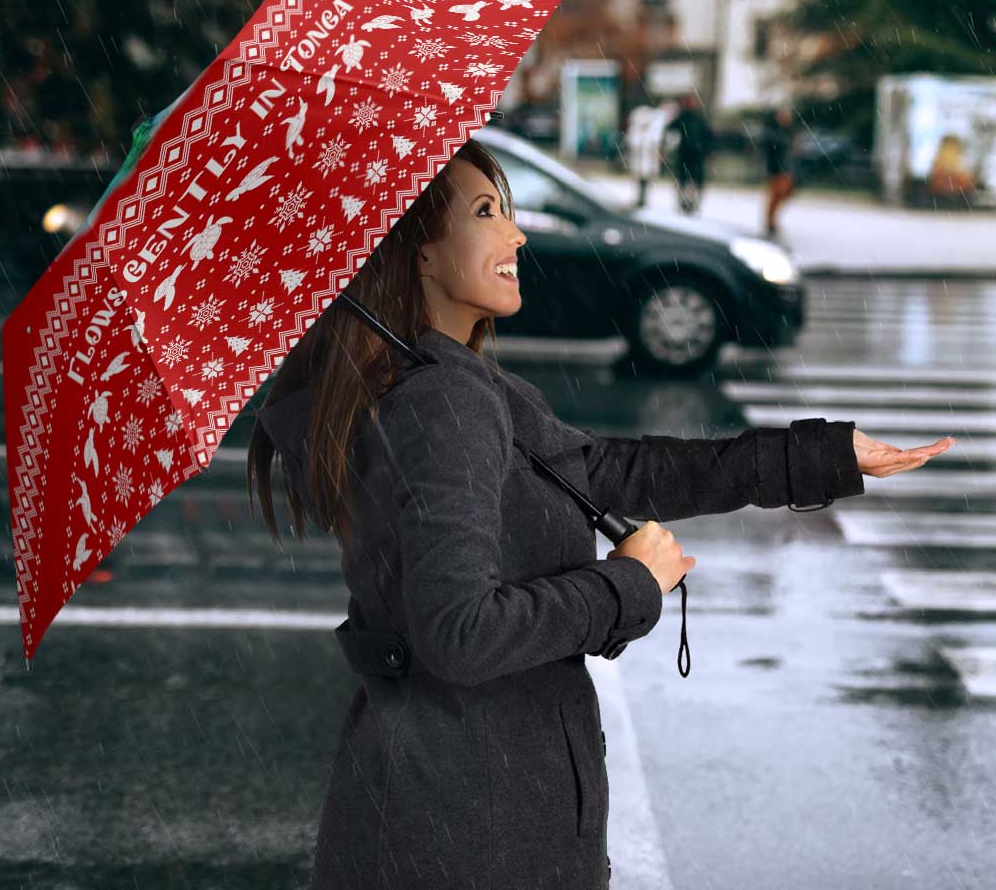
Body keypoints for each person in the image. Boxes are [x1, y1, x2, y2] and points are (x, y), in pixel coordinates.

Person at [246, 136, 943, 890]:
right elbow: (460, 633)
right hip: (474, 828)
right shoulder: (441, 402)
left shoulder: (441, 383)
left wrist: (821, 458)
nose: (515, 234)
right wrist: (629, 585)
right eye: (486, 212)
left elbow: (608, 470)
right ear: (417, 251)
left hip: (445, 808)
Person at [664, 92, 714, 215]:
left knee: (692, 181)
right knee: (685, 180)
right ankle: (685, 203)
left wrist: (707, 150)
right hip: (687, 154)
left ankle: (691, 203)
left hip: (695, 154)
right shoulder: (684, 117)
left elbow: (708, 136)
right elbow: (670, 130)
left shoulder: (697, 118)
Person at [762, 105, 798, 236]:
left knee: (784, 194)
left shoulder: (789, 132)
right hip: (777, 169)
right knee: (776, 195)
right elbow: (771, 152)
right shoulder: (774, 133)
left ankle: (771, 220)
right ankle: (770, 221)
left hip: (786, 169)